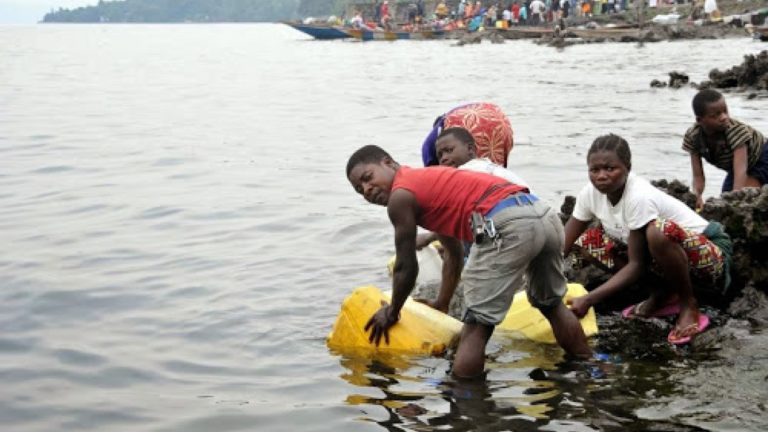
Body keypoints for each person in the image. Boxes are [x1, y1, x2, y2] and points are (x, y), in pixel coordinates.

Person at [346, 145, 592, 378]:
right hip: (543, 216)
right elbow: (452, 253)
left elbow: (405, 267)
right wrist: (442, 303)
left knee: (475, 325)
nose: (366, 189)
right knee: (550, 304)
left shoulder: (401, 197)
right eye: (359, 189)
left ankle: (467, 406)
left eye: (368, 177)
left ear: (388, 163)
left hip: (508, 224)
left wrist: (392, 311)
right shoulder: (428, 181)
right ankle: (589, 368)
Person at [563, 134, 732, 345]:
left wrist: (589, 299)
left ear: (628, 167)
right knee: (589, 242)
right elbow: (564, 244)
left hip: (709, 258)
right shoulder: (589, 194)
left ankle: (689, 304)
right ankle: (661, 294)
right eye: (594, 170)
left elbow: (636, 265)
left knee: (657, 231)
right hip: (664, 261)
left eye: (610, 168)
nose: (601, 176)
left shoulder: (638, 196)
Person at [683, 89, 767, 210]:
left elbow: (740, 171)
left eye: (725, 111)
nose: (723, 117)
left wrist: (735, 201)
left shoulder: (735, 131)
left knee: (745, 200)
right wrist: (697, 196)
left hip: (762, 158)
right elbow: (698, 176)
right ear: (700, 120)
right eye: (715, 115)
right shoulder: (694, 137)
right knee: (723, 199)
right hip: (737, 168)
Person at [421, 102, 514, 168]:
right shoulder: (444, 123)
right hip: (497, 117)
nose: (444, 158)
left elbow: (432, 176)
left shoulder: (429, 146)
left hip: (466, 120)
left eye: (449, 150)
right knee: (493, 170)